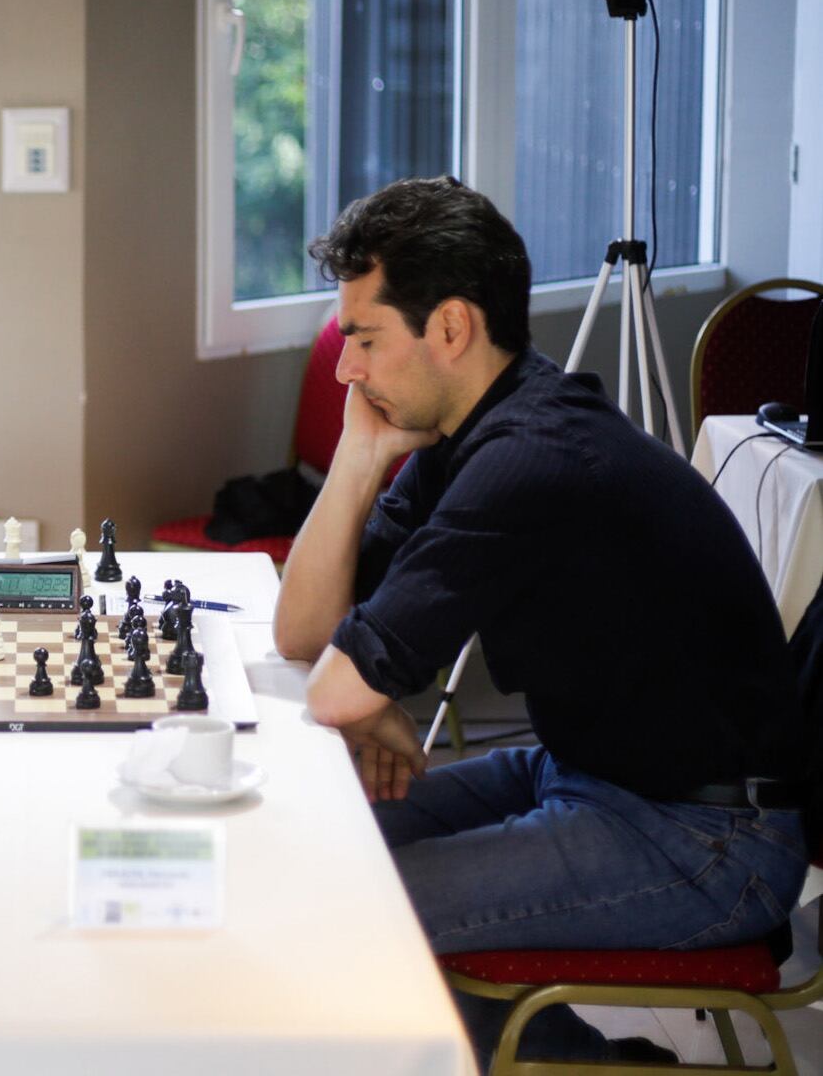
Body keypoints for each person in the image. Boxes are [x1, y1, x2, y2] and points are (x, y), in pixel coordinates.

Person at [274, 175, 811, 1066]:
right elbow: (301, 632)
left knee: (351, 902)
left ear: (449, 327)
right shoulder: (476, 428)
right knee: (316, 840)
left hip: (709, 839)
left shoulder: (531, 460)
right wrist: (358, 460)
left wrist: (373, 703)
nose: (346, 369)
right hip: (591, 775)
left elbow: (336, 689)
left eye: (363, 338)